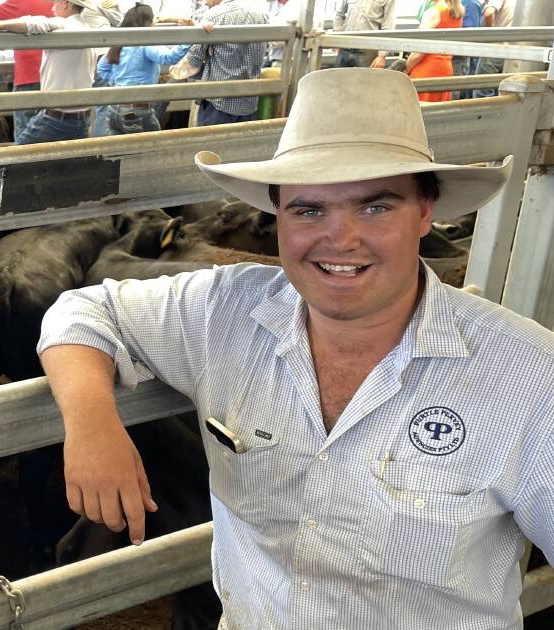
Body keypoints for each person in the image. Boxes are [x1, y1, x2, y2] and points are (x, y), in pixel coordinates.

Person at [39, 67, 553, 628]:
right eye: (309, 210)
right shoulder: (225, 311)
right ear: (278, 217)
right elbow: (83, 310)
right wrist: (93, 425)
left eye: (375, 207)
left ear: (425, 211)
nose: (341, 239)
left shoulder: (526, 376)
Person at [0, 0, 98, 145]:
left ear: (65, 4)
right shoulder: (87, 28)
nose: (52, 7)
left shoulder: (65, 25)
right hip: (81, 119)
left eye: (56, 3)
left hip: (57, 117)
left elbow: (33, 24)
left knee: (16, 158)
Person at [96, 3, 190, 135]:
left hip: (114, 109)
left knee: (120, 152)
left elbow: (102, 68)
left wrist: (118, 82)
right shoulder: (144, 43)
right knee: (152, 149)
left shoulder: (119, 44)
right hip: (136, 110)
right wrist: (189, 37)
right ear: (147, 22)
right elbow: (169, 58)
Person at [183, 0, 268, 126]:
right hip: (249, 101)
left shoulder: (215, 15)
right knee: (241, 144)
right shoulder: (262, 16)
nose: (205, 2)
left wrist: (177, 72)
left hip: (218, 103)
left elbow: (192, 62)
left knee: (210, 144)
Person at [0, 0, 55, 140]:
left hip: (28, 78)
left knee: (24, 132)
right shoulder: (62, 4)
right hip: (56, 80)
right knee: (52, 134)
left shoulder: (18, 2)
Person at [406, 0, 464, 102]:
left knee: (418, 113)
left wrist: (406, 68)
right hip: (445, 68)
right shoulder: (457, 12)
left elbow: (419, 52)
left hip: (426, 69)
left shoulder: (433, 12)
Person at [333, 0, 397, 68]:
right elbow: (339, 15)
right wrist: (337, 39)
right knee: (338, 77)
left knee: (364, 78)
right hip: (345, 48)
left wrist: (381, 56)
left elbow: (388, 26)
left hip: (368, 51)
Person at [471, 0, 515, 98]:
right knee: (497, 91)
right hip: (509, 49)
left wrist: (490, 36)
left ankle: (481, 113)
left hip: (495, 48)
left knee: (482, 92)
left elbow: (489, 13)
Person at [452, 0, 483, 99]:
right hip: (453, 54)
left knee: (454, 91)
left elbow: (468, 33)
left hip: (458, 55)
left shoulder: (470, 4)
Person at [265, 0, 300, 67]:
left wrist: (265, 37)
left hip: (286, 60)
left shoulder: (297, 7)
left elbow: (281, 39)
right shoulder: (274, 4)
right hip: (273, 56)